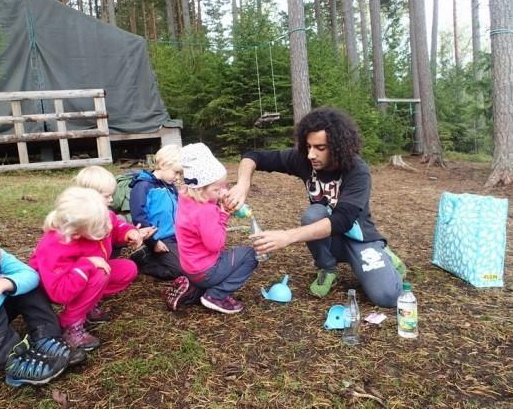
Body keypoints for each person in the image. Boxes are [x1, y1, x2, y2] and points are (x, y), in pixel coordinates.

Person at [226, 107, 406, 308]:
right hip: (327, 235)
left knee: (388, 297)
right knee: (314, 213)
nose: (311, 154)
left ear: (338, 147)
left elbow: (343, 220)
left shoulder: (357, 171)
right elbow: (253, 156)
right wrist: (243, 184)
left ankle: (381, 252)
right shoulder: (304, 160)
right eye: (309, 146)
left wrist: (287, 236)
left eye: (320, 148)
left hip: (359, 238)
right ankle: (327, 269)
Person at [0, 214, 80, 386]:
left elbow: (31, 276)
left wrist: (5, 283)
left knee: (24, 287)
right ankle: (14, 361)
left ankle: (47, 338)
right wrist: (2, 284)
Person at [29, 187, 145, 351]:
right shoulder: (55, 245)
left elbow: (116, 224)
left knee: (127, 269)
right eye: (101, 227)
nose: (108, 227)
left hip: (83, 274)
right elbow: (59, 292)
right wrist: (87, 264)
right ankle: (70, 324)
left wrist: (128, 232)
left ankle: (88, 303)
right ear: (77, 232)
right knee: (100, 274)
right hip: (54, 286)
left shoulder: (97, 217)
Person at [166, 143, 259, 314]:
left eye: (223, 186)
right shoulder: (205, 212)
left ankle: (193, 289)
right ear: (200, 188)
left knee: (228, 258)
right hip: (205, 270)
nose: (222, 191)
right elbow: (216, 244)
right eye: (217, 188)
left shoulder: (187, 197)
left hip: (190, 266)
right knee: (250, 255)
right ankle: (216, 295)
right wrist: (223, 215)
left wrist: (217, 198)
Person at [128, 144, 184, 280]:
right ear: (164, 165)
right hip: (159, 239)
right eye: (175, 172)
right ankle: (143, 259)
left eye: (180, 174)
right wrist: (154, 242)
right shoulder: (143, 186)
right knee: (178, 270)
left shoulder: (170, 186)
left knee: (194, 264)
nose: (178, 178)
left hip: (176, 237)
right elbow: (139, 217)